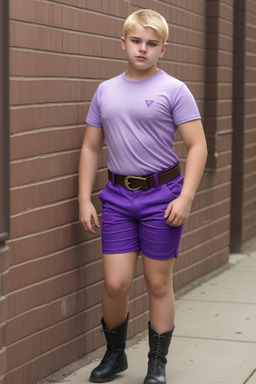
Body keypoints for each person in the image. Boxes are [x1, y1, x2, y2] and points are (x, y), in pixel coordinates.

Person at [79, 9, 207, 384]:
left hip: (162, 197)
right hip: (117, 197)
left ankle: (156, 364)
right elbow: (90, 147)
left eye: (151, 44)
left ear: (162, 49)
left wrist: (185, 198)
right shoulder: (105, 91)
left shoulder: (174, 90)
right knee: (116, 283)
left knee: (156, 282)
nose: (142, 49)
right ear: (123, 42)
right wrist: (85, 198)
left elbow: (196, 146)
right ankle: (115, 355)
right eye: (136, 41)